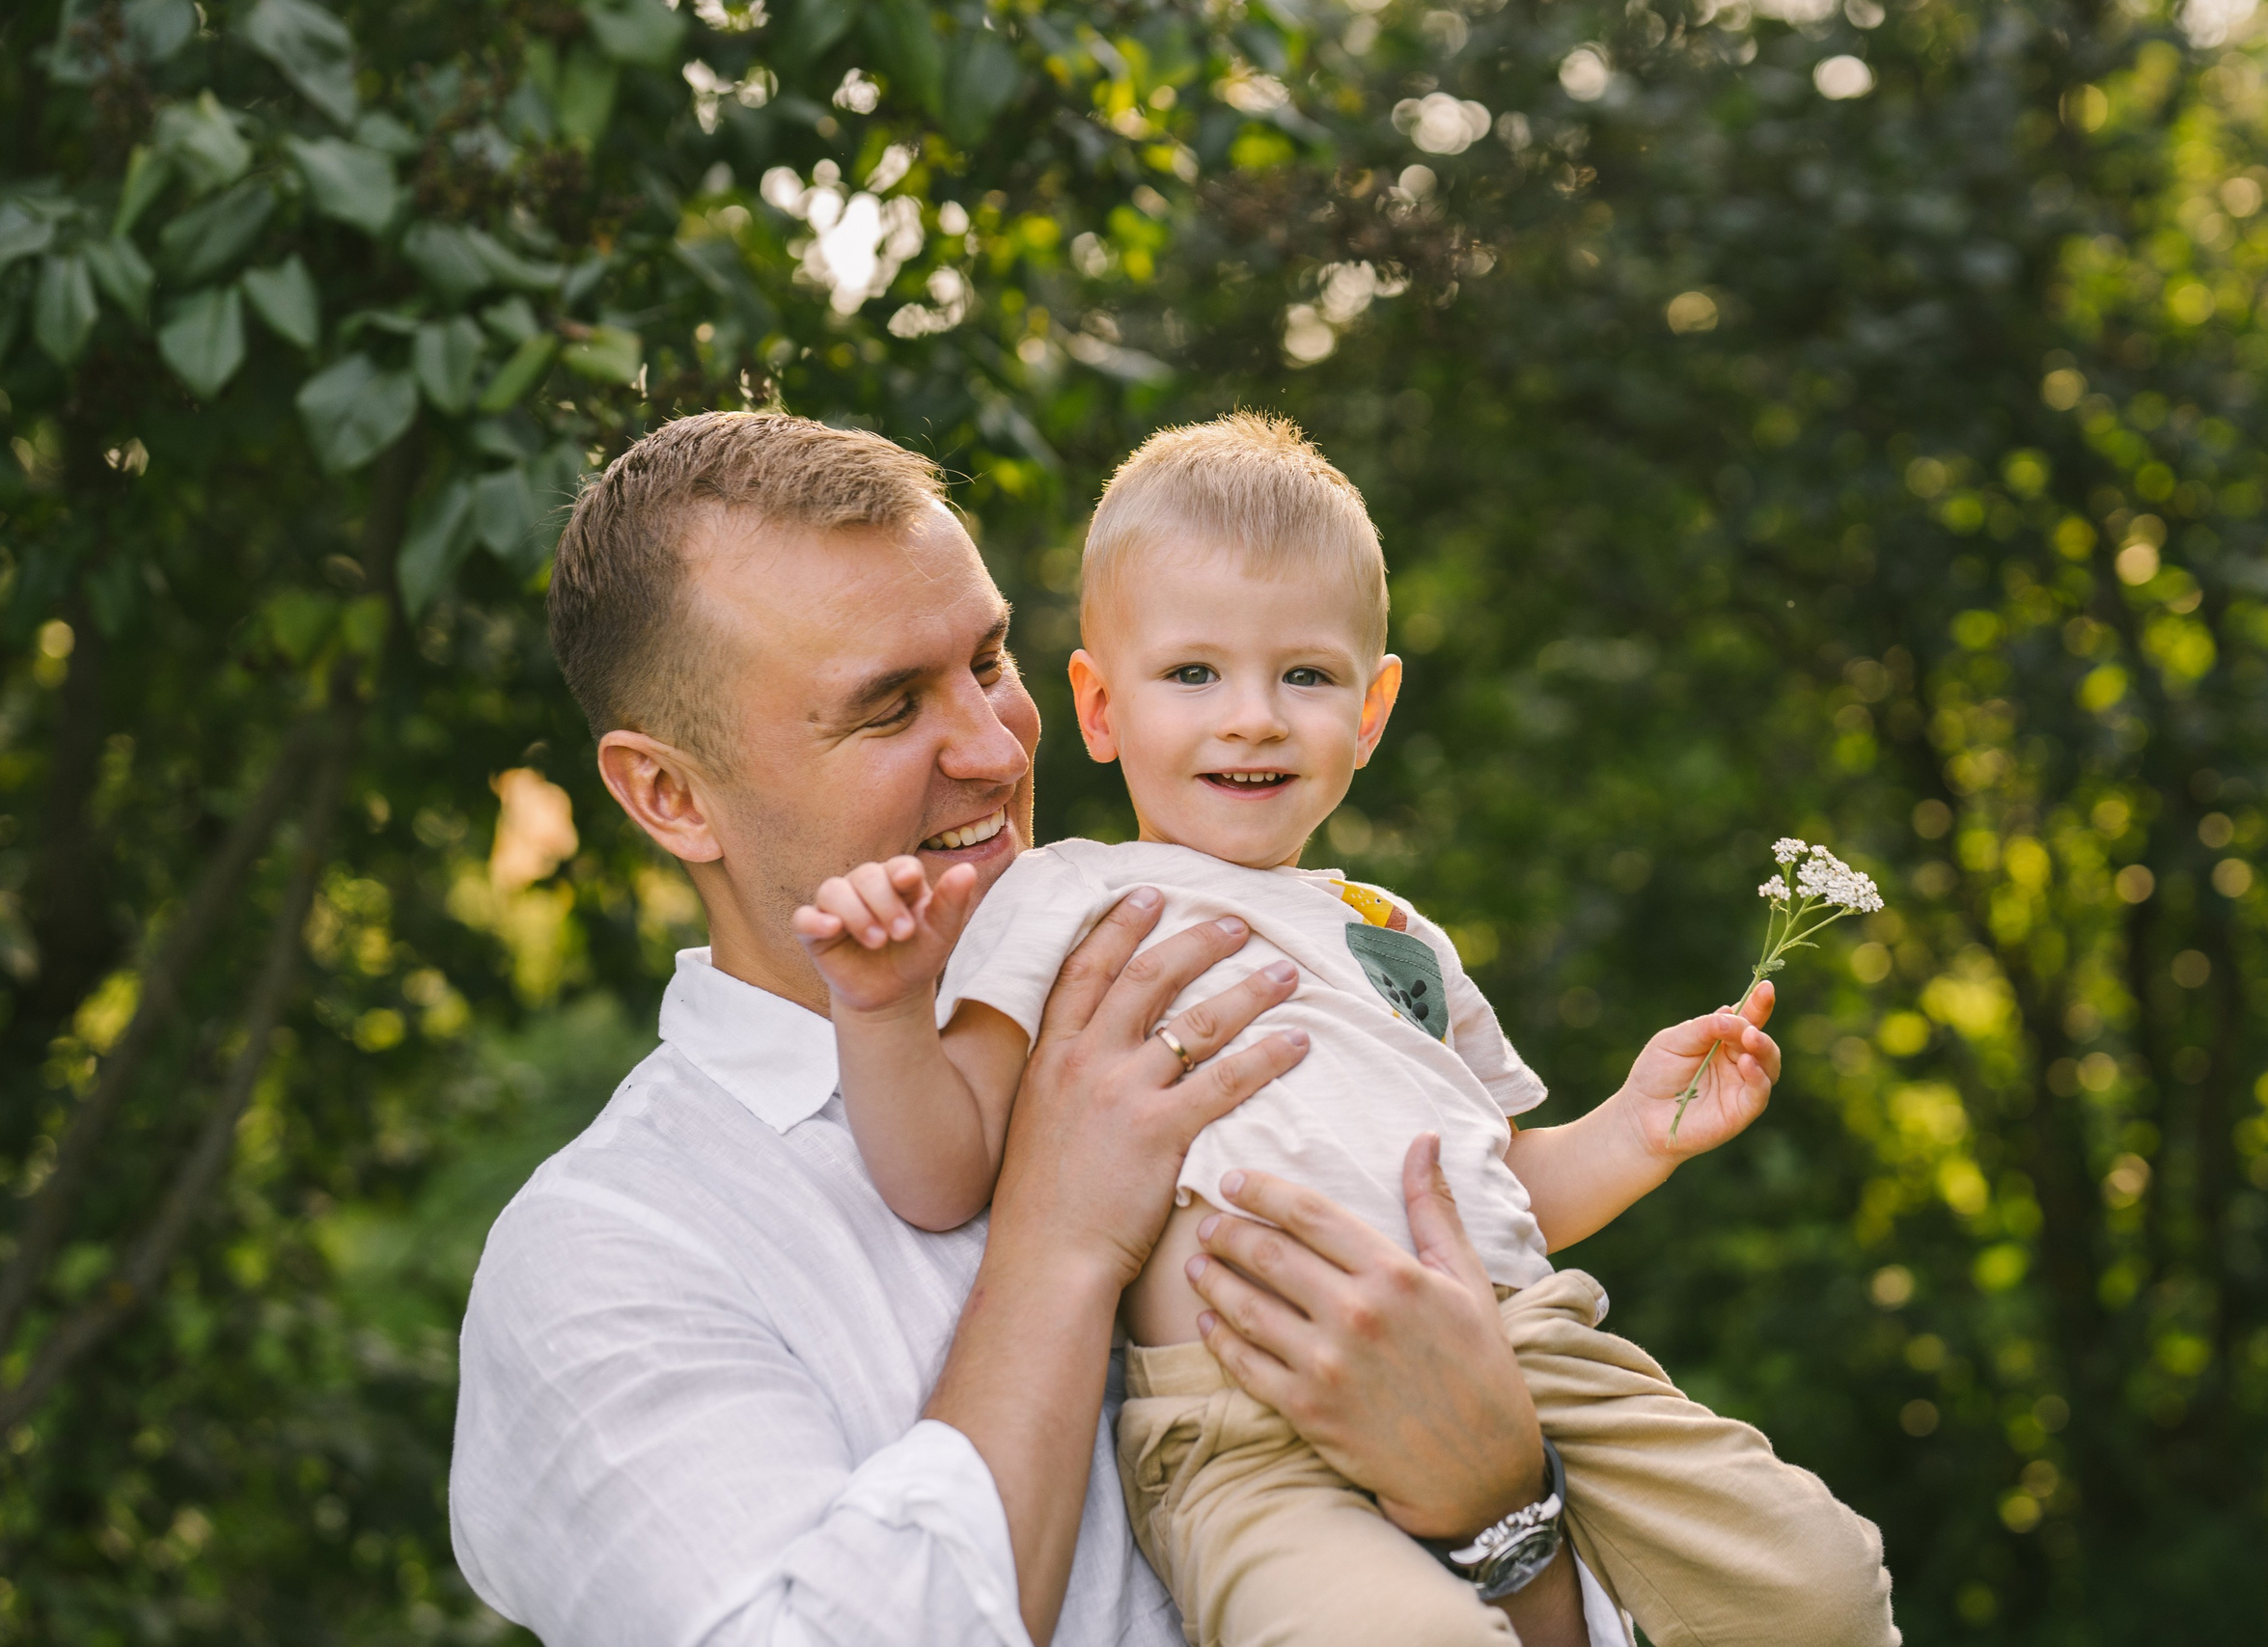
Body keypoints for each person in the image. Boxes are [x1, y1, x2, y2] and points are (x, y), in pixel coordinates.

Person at [447, 410, 1897, 1647]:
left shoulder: (1188, 946)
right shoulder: (615, 1258)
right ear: (669, 798)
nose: (994, 745)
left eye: (991, 662)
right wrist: (1063, 1243)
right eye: (888, 708)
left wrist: (1501, 1516)